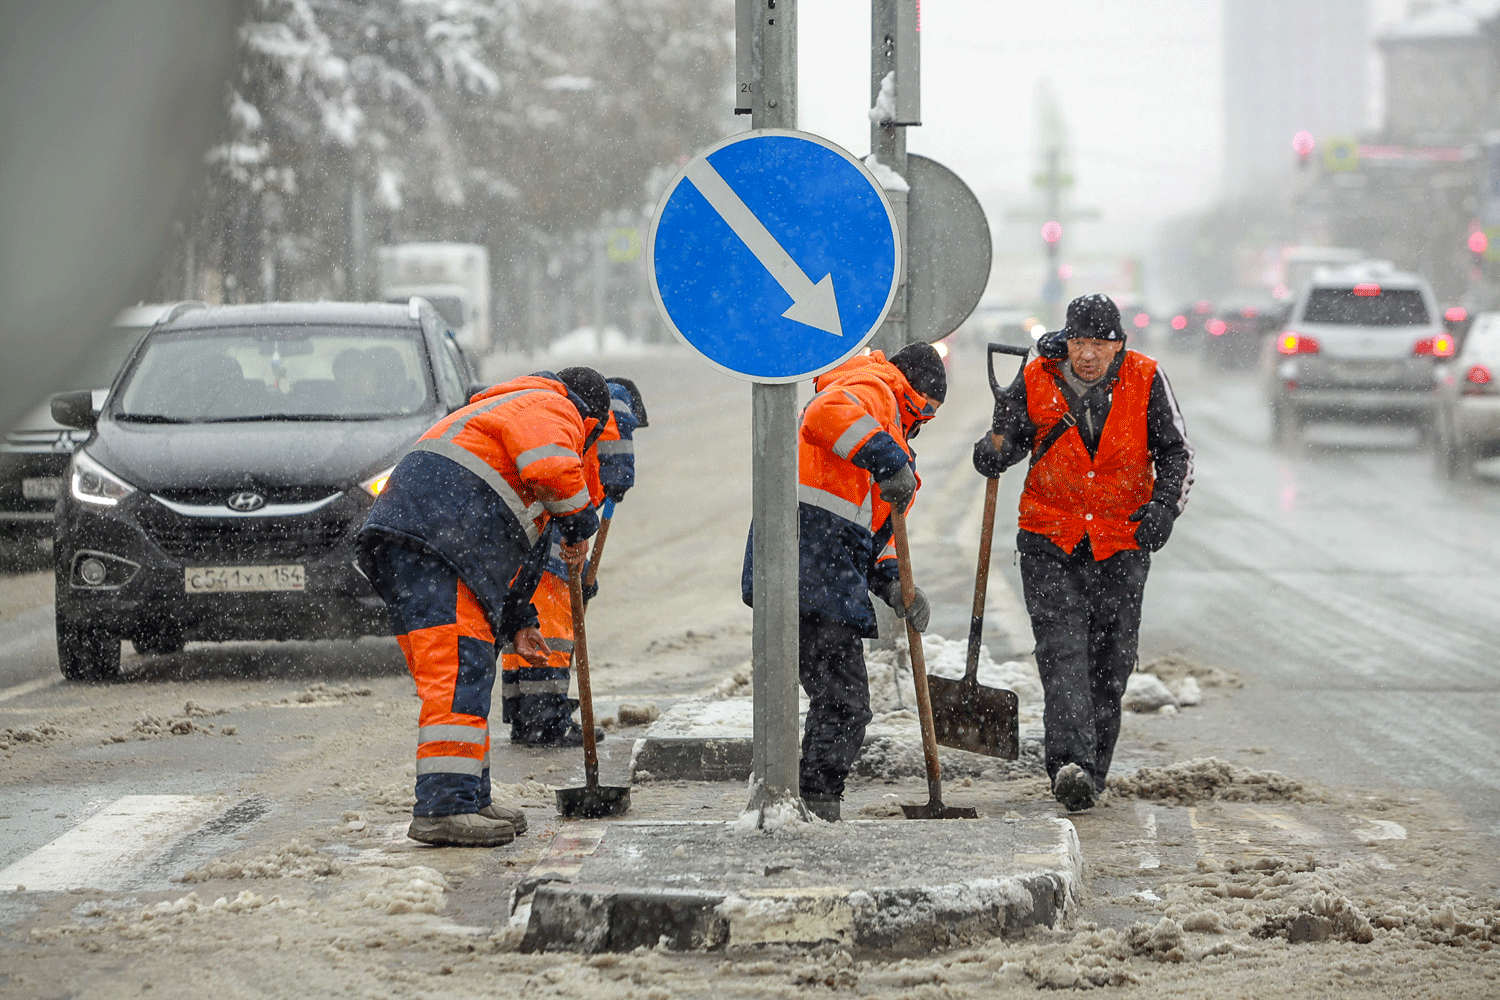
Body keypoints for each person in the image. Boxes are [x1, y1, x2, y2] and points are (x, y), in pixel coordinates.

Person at [357, 366, 610, 846]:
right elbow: (553, 468)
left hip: (433, 544)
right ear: (589, 419)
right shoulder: (548, 404)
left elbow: (520, 555)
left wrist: (518, 622)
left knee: (469, 671)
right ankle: (445, 808)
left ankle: (471, 796)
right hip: (437, 543)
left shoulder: (502, 417)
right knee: (457, 675)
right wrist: (580, 525)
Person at [972, 293, 1193, 812]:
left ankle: (1091, 771)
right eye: (1078, 342)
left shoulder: (1146, 378)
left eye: (1100, 343)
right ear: (1066, 341)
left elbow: (1176, 452)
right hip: (1050, 537)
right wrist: (993, 450)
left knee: (1109, 664)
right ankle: (1069, 764)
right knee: (1062, 651)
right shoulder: (1037, 379)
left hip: (1121, 542)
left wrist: (1164, 509)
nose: (1088, 354)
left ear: (1118, 344)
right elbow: (1011, 442)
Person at [744, 343, 947, 822]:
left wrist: (898, 583)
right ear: (914, 394)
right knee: (844, 702)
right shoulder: (874, 389)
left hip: (820, 568)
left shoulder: (888, 427)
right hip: (810, 565)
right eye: (926, 412)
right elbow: (824, 412)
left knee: (838, 699)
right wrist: (888, 457)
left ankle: (808, 797)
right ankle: (814, 802)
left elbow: (876, 536)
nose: (923, 424)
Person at [501, 376, 647, 746]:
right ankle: (546, 720)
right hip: (558, 522)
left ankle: (523, 714)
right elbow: (614, 466)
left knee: (524, 618)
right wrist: (619, 480)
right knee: (552, 621)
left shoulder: (558, 402)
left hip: (534, 522)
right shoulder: (614, 402)